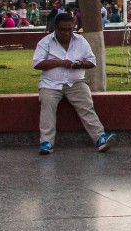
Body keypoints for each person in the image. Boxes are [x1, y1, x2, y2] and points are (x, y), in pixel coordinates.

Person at [30, 12, 116, 154]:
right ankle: (46, 143)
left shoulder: (80, 41)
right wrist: (60, 62)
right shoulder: (45, 42)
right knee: (47, 105)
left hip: (76, 82)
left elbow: (92, 62)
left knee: (86, 105)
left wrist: (80, 64)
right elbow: (37, 63)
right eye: (63, 29)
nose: (67, 33)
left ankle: (100, 138)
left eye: (70, 29)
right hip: (51, 83)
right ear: (55, 28)